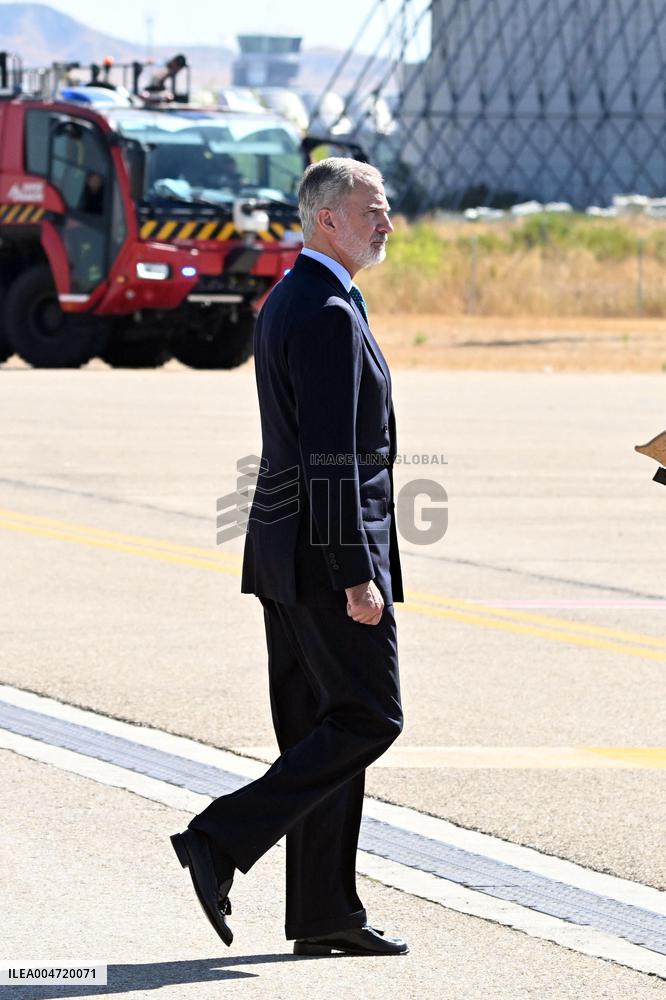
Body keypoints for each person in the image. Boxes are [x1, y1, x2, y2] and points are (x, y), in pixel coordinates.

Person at [171, 157, 407, 957]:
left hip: (287, 552)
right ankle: (220, 838)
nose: (386, 222)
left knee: (320, 728)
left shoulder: (298, 296)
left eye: (386, 209)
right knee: (371, 716)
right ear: (325, 218)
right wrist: (355, 573)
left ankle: (321, 912)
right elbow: (331, 456)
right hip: (323, 558)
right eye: (372, 209)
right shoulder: (326, 310)